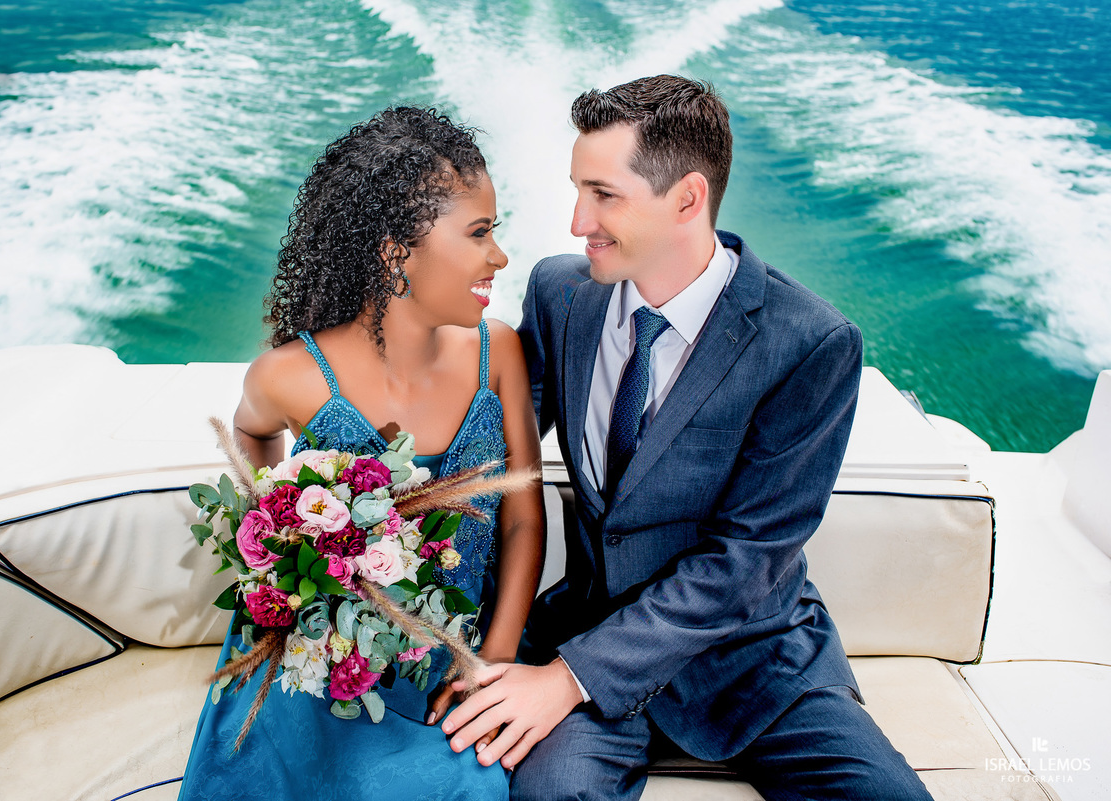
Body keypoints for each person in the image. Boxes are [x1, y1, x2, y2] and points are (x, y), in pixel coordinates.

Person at [441, 76, 932, 800]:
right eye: (578, 190)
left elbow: (746, 560)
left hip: (755, 660)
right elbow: (489, 461)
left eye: (604, 195)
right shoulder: (558, 294)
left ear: (688, 199)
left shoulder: (811, 342)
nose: (578, 222)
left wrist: (567, 679)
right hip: (587, 631)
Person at [177, 106, 544, 801]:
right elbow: (252, 432)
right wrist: (280, 522)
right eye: (478, 233)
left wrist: (490, 661)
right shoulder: (290, 374)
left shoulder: (499, 353)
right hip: (329, 653)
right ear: (396, 250)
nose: (498, 256)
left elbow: (525, 518)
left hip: (457, 648)